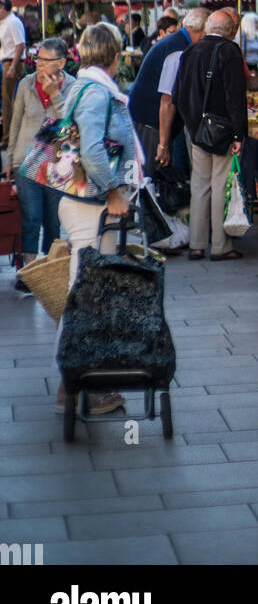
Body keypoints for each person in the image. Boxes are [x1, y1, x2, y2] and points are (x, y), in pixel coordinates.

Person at [55, 22, 140, 416]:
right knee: (89, 295)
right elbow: (90, 147)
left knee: (85, 292)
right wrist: (113, 192)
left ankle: (72, 385)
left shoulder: (82, 86)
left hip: (81, 201)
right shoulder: (95, 92)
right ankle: (79, 386)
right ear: (114, 55)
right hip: (92, 205)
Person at [174, 9, 248, 261]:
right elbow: (235, 96)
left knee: (200, 185)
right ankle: (220, 245)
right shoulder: (229, 51)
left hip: (197, 131)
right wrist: (239, 134)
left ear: (208, 28)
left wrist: (193, 124)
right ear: (230, 31)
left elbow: (178, 94)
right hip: (223, 131)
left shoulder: (190, 50)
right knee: (219, 186)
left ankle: (196, 244)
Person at [7, 38, 76, 290]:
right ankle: (27, 273)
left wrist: (54, 95)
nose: (38, 63)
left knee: (52, 220)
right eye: (37, 58)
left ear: (61, 62)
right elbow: (15, 121)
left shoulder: (72, 86)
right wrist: (11, 156)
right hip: (25, 159)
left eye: (44, 60)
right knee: (31, 218)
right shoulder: (26, 84)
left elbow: (70, 122)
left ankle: (48, 270)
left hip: (56, 162)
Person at [129, 8, 209, 175]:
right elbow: (167, 100)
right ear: (203, 30)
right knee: (149, 174)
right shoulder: (178, 49)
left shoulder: (179, 42)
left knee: (151, 173)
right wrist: (163, 145)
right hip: (150, 120)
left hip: (149, 117)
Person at [1, 0, 26, 146]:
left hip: (12, 62)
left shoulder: (13, 21)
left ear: (3, 7)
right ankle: (7, 136)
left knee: (8, 101)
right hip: (7, 62)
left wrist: (12, 66)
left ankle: (8, 137)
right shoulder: (5, 22)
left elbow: (20, 45)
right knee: (7, 100)